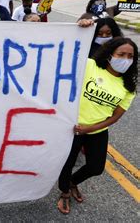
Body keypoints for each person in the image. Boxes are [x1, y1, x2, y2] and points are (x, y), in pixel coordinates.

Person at [57, 37, 137, 215]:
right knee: (67, 163)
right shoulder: (90, 66)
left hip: (97, 130)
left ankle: (71, 182)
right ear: (110, 55)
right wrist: (81, 27)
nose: (125, 59)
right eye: (121, 54)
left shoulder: (129, 87)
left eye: (130, 56)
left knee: (96, 167)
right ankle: (64, 192)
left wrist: (90, 129)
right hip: (72, 127)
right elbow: (67, 51)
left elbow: (115, 116)